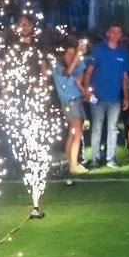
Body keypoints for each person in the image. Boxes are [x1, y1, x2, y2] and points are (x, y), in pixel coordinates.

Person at [83, 23, 129, 168]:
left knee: (113, 128)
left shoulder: (123, 53)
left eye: (119, 33)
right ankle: (95, 158)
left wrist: (126, 97)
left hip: (115, 97)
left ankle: (111, 157)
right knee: (97, 127)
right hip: (98, 96)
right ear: (108, 34)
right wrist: (88, 90)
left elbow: (125, 77)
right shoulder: (99, 49)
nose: (116, 35)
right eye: (114, 32)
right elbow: (89, 71)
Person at [53, 37, 90, 175]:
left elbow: (80, 70)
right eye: (68, 54)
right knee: (77, 133)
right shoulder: (58, 68)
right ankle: (73, 165)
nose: (71, 56)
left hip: (77, 101)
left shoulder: (76, 65)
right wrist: (77, 56)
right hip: (69, 102)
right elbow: (67, 72)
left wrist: (82, 52)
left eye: (72, 53)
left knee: (73, 133)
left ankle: (71, 162)